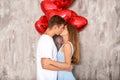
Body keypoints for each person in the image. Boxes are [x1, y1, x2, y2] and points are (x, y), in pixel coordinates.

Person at [36, 15, 72, 80]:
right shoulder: (46, 40)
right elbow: (45, 65)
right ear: (55, 27)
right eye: (62, 27)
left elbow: (48, 62)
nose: (62, 30)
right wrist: (65, 68)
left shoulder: (48, 39)